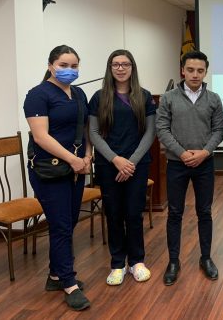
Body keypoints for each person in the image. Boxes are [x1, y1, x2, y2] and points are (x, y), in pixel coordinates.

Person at [23, 45, 91, 311]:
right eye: (64, 65)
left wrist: (87, 155)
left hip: (76, 168)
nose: (69, 70)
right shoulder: (37, 95)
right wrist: (72, 159)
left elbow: (85, 128)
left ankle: (54, 275)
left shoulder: (79, 92)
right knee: (61, 224)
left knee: (70, 220)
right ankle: (69, 283)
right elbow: (41, 136)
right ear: (51, 65)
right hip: (49, 169)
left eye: (74, 66)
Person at [88, 50, 157, 286]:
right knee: (114, 214)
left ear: (132, 67)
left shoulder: (144, 96)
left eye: (125, 64)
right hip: (108, 166)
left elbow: (150, 132)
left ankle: (137, 262)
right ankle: (118, 264)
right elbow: (94, 133)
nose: (120, 68)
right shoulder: (99, 97)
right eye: (115, 64)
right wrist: (115, 159)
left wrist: (131, 162)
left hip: (137, 165)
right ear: (109, 68)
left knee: (134, 214)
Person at [156, 50, 223, 285]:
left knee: (204, 212)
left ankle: (206, 258)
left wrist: (204, 152)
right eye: (191, 70)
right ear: (182, 71)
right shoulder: (168, 98)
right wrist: (183, 153)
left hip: (205, 164)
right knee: (175, 213)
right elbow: (162, 129)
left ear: (205, 72)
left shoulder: (214, 99)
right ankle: (173, 261)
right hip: (177, 164)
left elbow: (219, 130)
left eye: (200, 70)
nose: (195, 74)